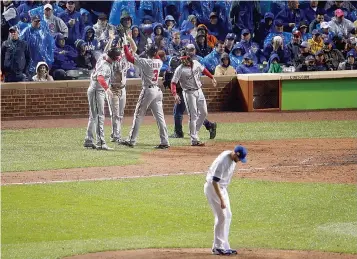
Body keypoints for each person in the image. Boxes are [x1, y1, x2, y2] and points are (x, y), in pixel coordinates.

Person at [120, 37, 170, 149]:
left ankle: (131, 140)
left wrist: (124, 44)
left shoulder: (145, 62)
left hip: (148, 90)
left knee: (138, 115)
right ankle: (165, 141)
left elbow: (128, 57)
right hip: (157, 91)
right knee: (160, 117)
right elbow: (156, 55)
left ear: (147, 52)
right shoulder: (159, 62)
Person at [204, 145, 247, 256]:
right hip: (213, 188)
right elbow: (215, 182)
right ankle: (217, 247)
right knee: (221, 216)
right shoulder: (223, 161)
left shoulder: (231, 156)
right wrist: (221, 199)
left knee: (228, 215)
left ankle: (224, 245)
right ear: (235, 154)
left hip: (221, 188)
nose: (239, 161)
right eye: (239, 158)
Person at [170, 51, 217, 146]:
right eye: (182, 59)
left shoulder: (196, 63)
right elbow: (173, 82)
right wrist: (175, 94)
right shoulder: (180, 69)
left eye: (185, 58)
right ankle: (194, 139)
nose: (183, 60)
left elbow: (203, 70)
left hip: (199, 91)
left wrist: (212, 77)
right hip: (189, 93)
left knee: (204, 112)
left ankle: (194, 131)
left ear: (190, 57)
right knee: (193, 115)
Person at [83, 47, 121, 150]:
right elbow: (100, 77)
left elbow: (107, 52)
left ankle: (88, 140)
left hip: (95, 89)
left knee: (93, 116)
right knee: (100, 116)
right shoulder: (105, 65)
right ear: (113, 57)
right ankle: (101, 143)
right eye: (117, 57)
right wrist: (107, 89)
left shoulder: (104, 57)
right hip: (97, 90)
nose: (118, 58)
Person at [105, 35, 136, 143]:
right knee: (115, 114)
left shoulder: (124, 56)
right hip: (113, 88)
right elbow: (105, 52)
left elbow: (134, 49)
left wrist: (129, 38)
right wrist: (110, 39)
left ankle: (115, 133)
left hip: (123, 89)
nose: (119, 45)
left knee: (120, 114)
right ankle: (116, 136)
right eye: (117, 44)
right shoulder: (111, 57)